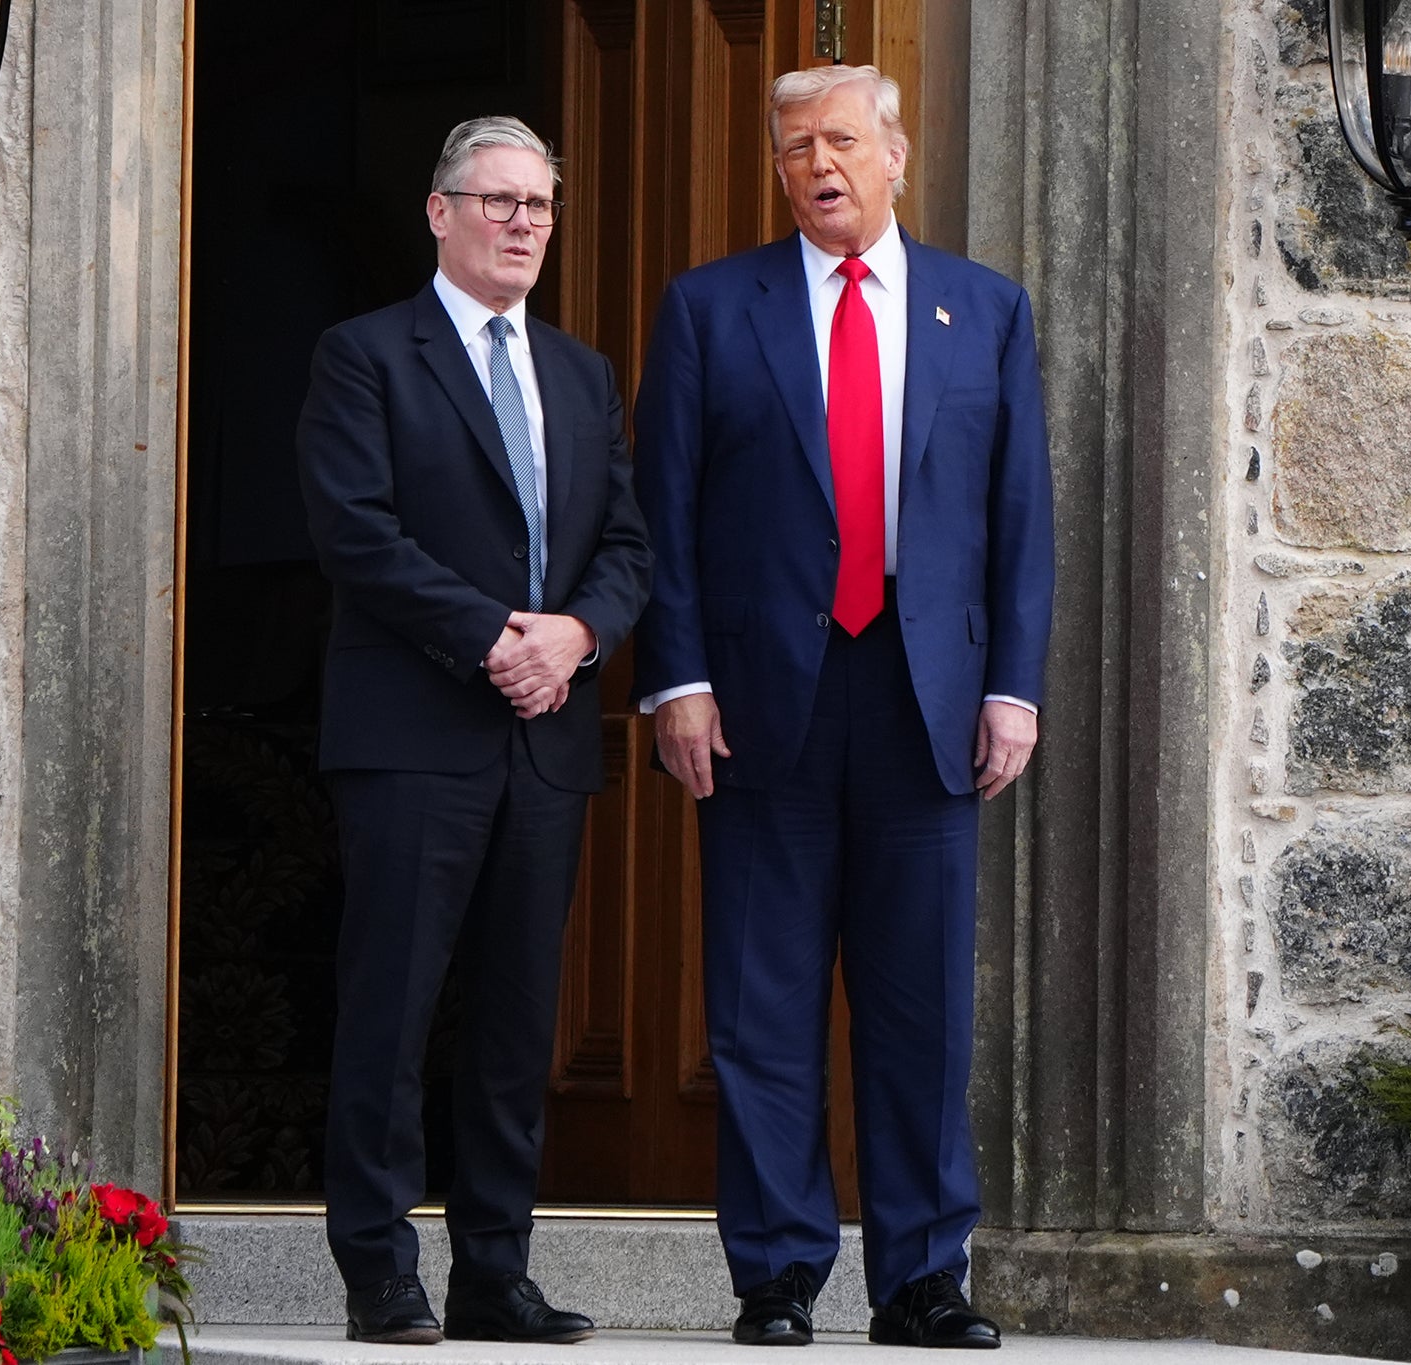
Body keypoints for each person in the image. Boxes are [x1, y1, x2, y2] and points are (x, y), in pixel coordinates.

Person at [631, 65, 1054, 1350]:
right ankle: (775, 1276)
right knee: (761, 1008)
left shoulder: (984, 311)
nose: (817, 165)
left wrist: (1012, 688)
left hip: (928, 699)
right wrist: (677, 680)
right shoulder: (711, 308)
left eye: (840, 142)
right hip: (762, 706)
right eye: (793, 149)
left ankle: (922, 1279)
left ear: (895, 155)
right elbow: (667, 513)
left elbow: (1017, 520)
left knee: (920, 1005)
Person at [298, 115, 651, 1347]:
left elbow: (625, 545)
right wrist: (498, 636)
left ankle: (494, 1272)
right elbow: (355, 533)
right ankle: (377, 1273)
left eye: (538, 205)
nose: (520, 223)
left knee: (517, 1021)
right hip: (413, 733)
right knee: (390, 1011)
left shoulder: (580, 372)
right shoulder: (364, 356)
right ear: (438, 212)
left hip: (547, 738)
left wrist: (577, 638)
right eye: (495, 200)